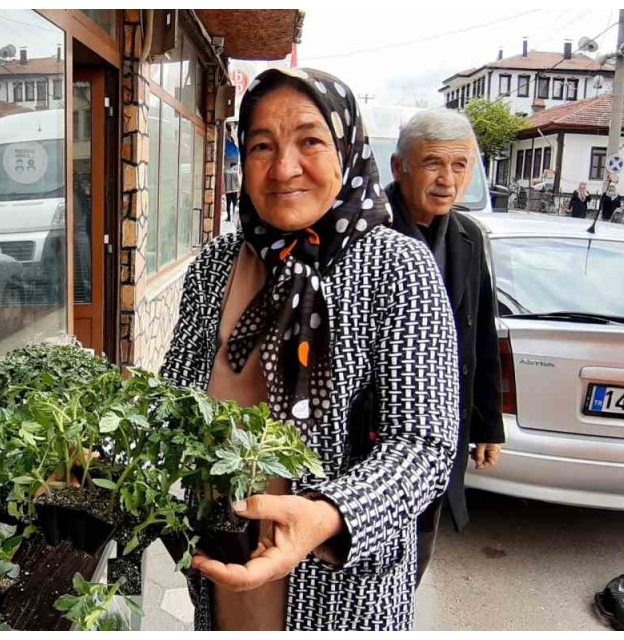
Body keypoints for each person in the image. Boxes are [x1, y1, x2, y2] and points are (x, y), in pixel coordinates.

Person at [161, 68, 458, 631]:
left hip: (338, 586)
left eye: (310, 141)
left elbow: (424, 445)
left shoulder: (397, 268)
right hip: (224, 559)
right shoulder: (217, 265)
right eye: (261, 146)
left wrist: (328, 515)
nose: (283, 168)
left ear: (346, 149)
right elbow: (174, 398)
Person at [384, 110, 504, 584]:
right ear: (399, 167)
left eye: (460, 166)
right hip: (378, 431)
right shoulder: (366, 228)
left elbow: (481, 334)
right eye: (433, 163)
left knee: (417, 553)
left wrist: (487, 425)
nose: (447, 180)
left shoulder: (468, 236)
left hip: (443, 430)